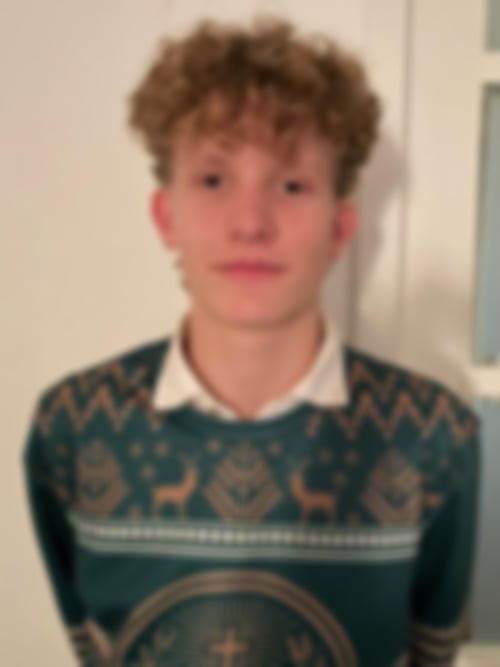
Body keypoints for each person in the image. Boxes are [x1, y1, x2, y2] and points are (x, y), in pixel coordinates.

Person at [22, 15, 481, 667]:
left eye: (291, 185)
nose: (250, 223)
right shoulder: (72, 427)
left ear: (339, 226)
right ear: (166, 215)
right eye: (214, 180)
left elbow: (432, 649)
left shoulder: (434, 435)